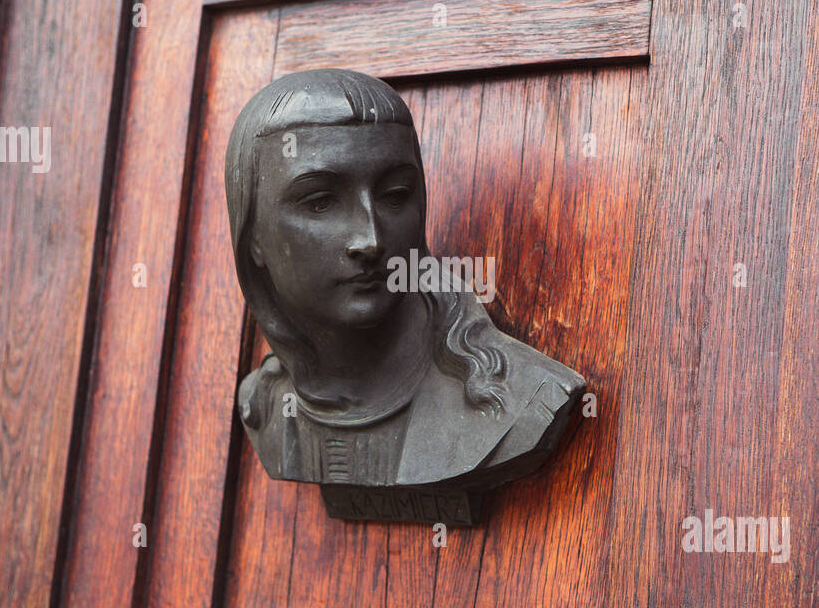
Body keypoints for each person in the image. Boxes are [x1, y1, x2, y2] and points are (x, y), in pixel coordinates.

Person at [225, 69, 584, 523]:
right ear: (252, 234)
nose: (370, 240)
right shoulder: (265, 405)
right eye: (320, 202)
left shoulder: (524, 399)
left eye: (395, 195)